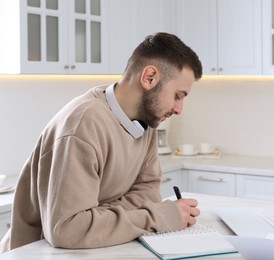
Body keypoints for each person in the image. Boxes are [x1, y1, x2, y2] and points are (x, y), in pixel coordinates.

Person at [0, 32, 203, 252]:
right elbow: (68, 230)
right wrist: (163, 216)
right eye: (178, 95)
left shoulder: (147, 121)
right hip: (35, 254)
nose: (179, 109)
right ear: (149, 77)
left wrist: (98, 218)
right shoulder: (84, 124)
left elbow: (150, 193)